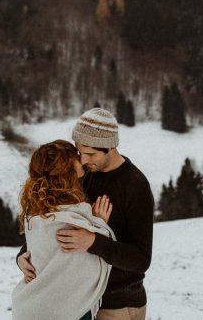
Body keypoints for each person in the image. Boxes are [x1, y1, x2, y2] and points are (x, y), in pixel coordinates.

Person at [18, 108, 155, 320]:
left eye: (90, 153)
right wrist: (23, 256)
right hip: (80, 303)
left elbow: (141, 259)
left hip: (116, 305)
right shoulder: (84, 175)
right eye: (80, 153)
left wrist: (93, 241)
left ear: (110, 147)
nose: (83, 160)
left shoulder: (134, 186)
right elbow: (62, 223)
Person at [12, 140, 115, 320]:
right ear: (65, 168)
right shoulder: (74, 216)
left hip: (31, 308)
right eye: (75, 156)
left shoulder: (38, 212)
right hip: (65, 311)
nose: (82, 159)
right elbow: (87, 264)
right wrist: (99, 225)